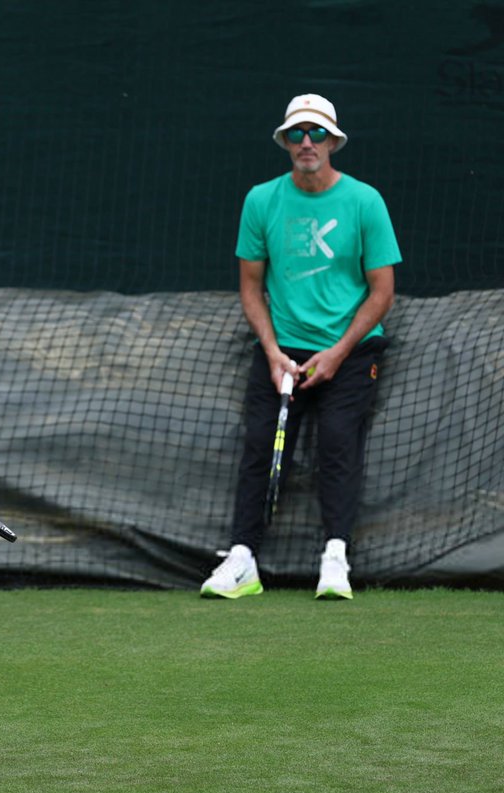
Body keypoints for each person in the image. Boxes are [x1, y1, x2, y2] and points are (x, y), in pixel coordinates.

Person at [202, 94, 400, 601]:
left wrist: (337, 352)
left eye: (316, 133)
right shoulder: (261, 201)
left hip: (351, 353)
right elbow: (250, 287)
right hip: (281, 352)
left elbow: (382, 292)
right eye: (296, 134)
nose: (306, 143)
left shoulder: (365, 201)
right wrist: (271, 352)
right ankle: (242, 558)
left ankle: (336, 556)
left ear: (334, 141)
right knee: (258, 447)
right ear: (285, 142)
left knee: (338, 440)